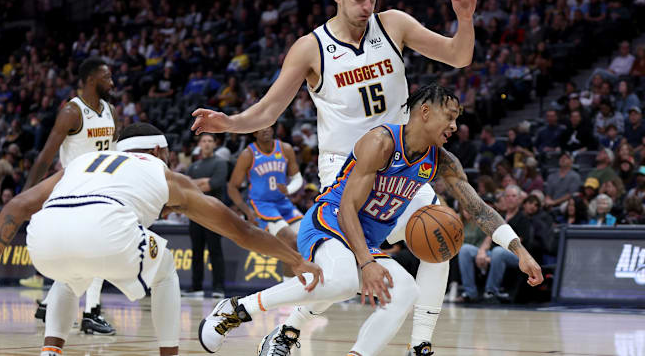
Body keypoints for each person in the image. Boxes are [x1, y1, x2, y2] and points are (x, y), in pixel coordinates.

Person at [191, 0, 477, 355]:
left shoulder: (393, 24)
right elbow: (269, 111)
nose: (367, 6)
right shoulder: (312, 47)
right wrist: (230, 122)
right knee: (343, 275)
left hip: (400, 168)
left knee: (440, 238)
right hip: (346, 173)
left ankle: (420, 344)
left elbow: (458, 56)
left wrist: (464, 18)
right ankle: (286, 328)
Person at [198, 84, 543, 356]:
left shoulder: (442, 160)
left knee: (406, 291)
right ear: (425, 112)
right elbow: (348, 205)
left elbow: (479, 209)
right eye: (450, 117)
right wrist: (366, 263)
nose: (455, 126)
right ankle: (237, 308)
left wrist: (519, 250)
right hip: (329, 222)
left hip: (365, 237)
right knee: (346, 279)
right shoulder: (381, 141)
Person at [0, 122, 323, 356]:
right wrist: (293, 259)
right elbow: (240, 231)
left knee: (68, 278)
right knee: (165, 269)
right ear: (160, 151)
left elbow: (15, 207)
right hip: (108, 233)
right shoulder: (164, 174)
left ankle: (51, 350)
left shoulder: (80, 164)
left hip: (45, 241)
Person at [21, 56, 119, 335]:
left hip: (103, 187)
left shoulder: (111, 111)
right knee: (100, 249)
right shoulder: (71, 113)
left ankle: (49, 303)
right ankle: (91, 313)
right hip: (75, 190)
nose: (112, 82)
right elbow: (45, 156)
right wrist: (27, 194)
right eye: (107, 77)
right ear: (90, 80)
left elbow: (116, 150)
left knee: (91, 253)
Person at [227, 126, 303, 274]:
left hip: (283, 203)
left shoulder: (285, 148)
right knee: (289, 240)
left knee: (306, 238)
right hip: (262, 205)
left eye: (268, 126)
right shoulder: (248, 154)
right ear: (254, 132)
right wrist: (247, 211)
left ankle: (303, 285)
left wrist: (289, 189)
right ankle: (288, 286)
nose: (265, 130)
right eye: (260, 128)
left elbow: (297, 178)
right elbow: (232, 187)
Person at [183, 133, 228, 298]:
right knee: (196, 252)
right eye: (204, 141)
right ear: (199, 144)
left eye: (210, 141)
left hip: (213, 214)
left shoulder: (220, 163)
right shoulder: (193, 166)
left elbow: (214, 184)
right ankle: (196, 287)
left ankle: (218, 288)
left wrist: (195, 185)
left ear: (215, 144)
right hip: (195, 214)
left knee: (215, 250)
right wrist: (201, 183)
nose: (207, 144)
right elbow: (185, 188)